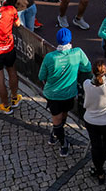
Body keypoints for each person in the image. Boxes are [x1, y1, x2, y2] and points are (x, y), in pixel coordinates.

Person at [38, 27, 91, 156]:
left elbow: (41, 76)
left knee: (57, 118)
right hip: (69, 93)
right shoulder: (77, 53)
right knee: (63, 115)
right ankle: (61, 139)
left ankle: (59, 139)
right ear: (70, 40)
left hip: (53, 94)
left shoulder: (50, 57)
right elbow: (87, 67)